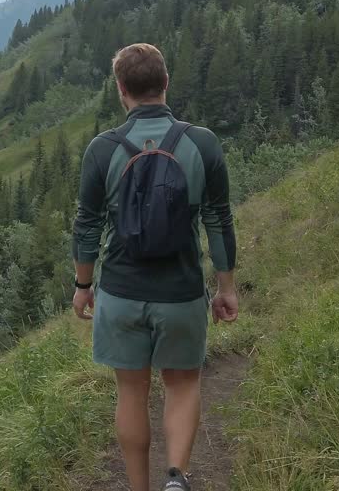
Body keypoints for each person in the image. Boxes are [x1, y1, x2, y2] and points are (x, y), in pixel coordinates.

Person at [71, 43, 239, 491]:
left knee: (131, 391)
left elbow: (87, 226)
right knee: (182, 386)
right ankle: (176, 479)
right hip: (181, 292)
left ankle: (138, 487)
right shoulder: (201, 143)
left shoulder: (102, 150)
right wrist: (226, 287)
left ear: (121, 90)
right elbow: (218, 219)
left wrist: (83, 284)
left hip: (121, 293)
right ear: (165, 84)